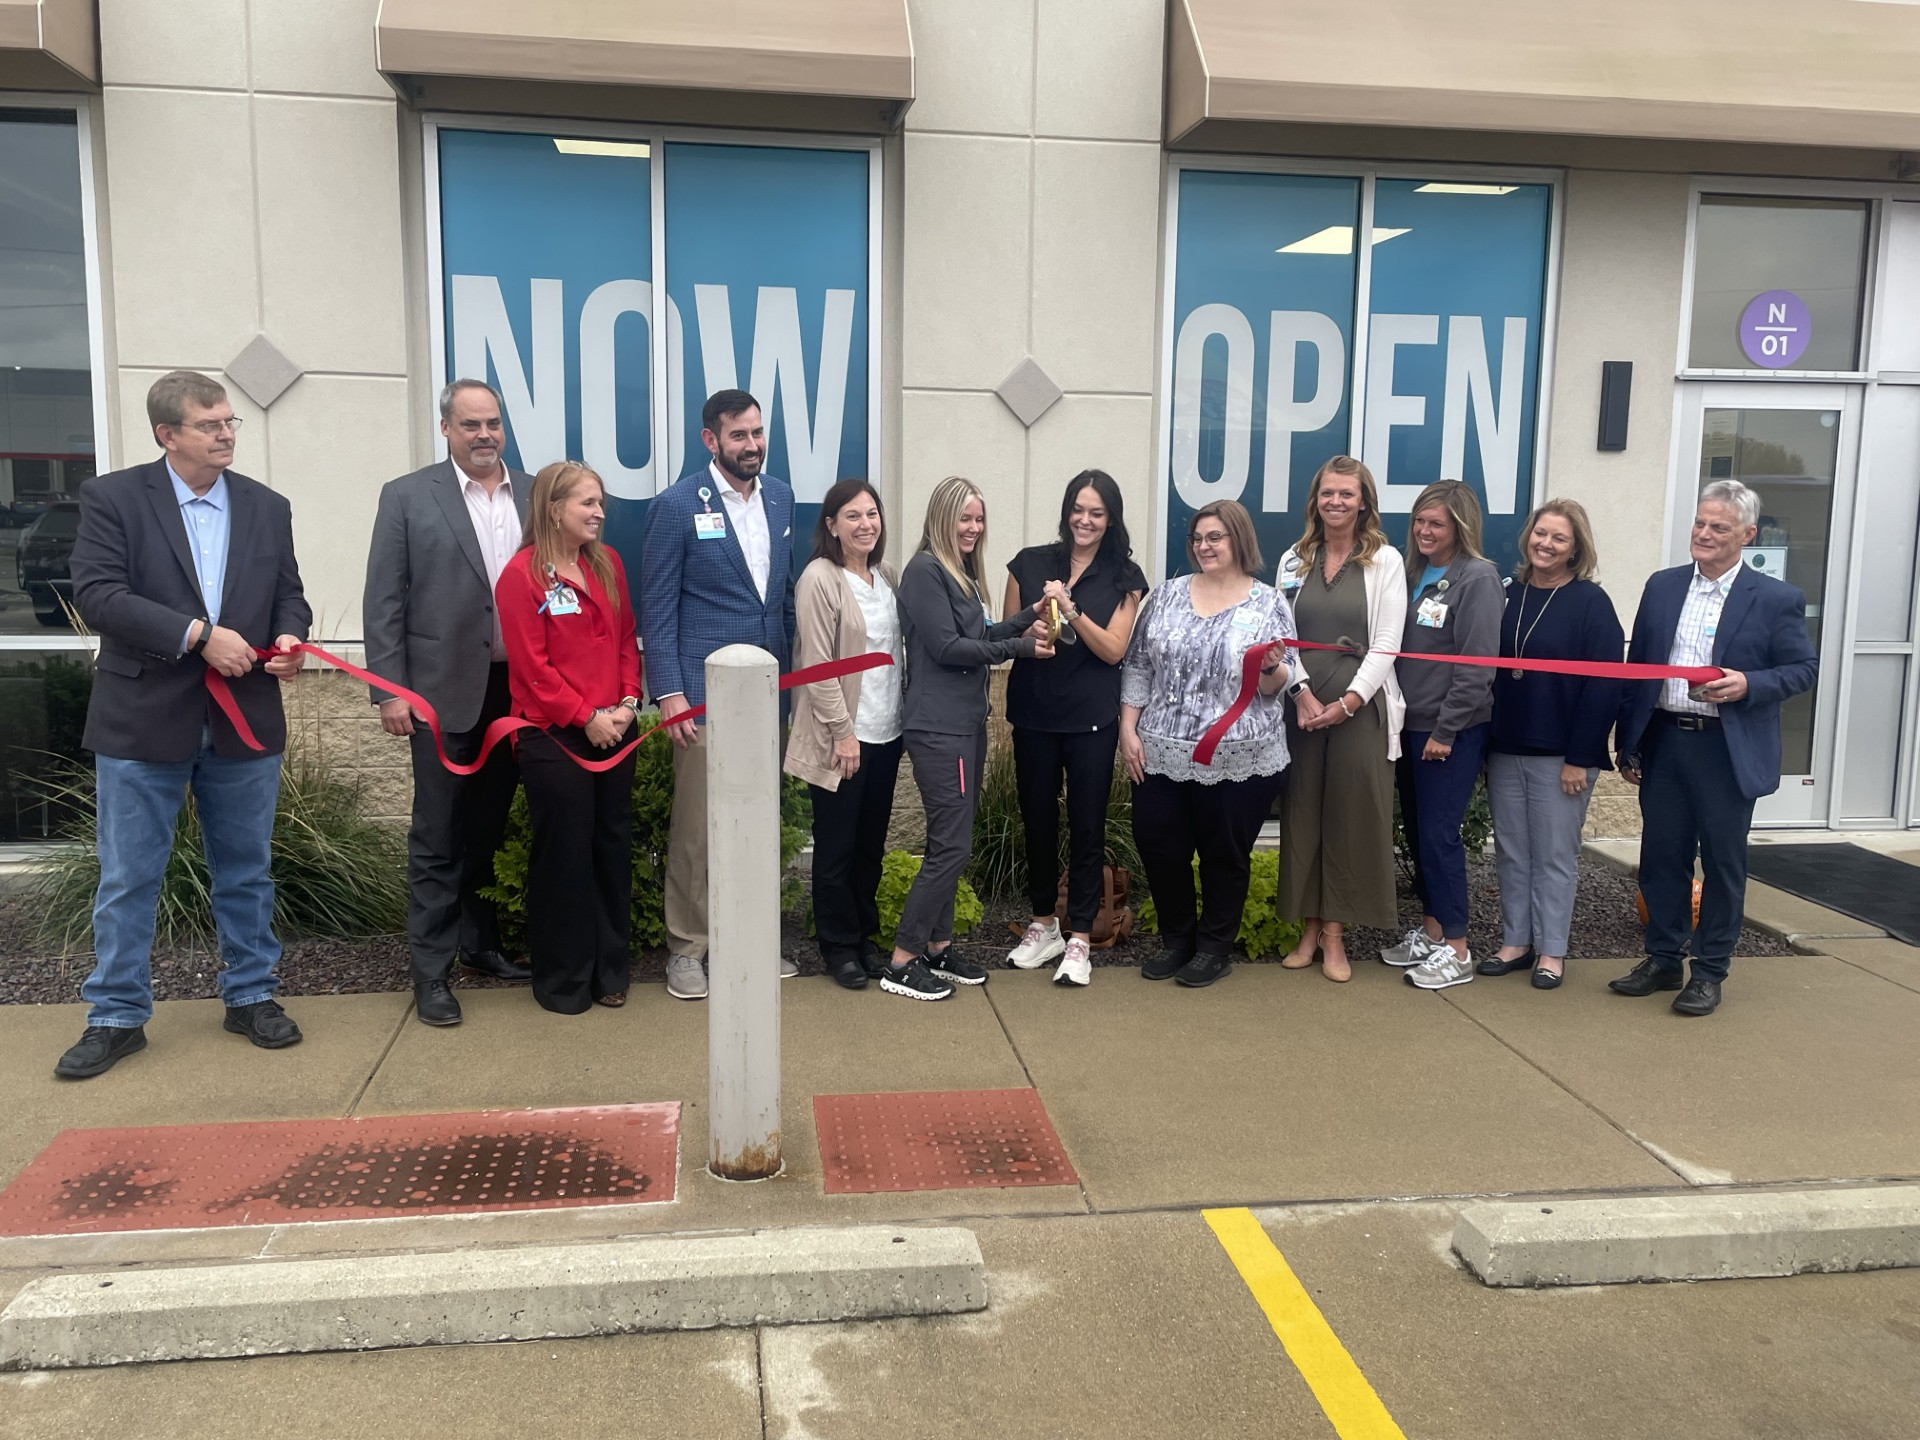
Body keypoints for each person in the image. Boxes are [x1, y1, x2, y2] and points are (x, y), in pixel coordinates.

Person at [54, 371, 312, 1079]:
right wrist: (198, 635)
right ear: (167, 434)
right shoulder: (113, 498)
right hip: (142, 719)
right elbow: (99, 595)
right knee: (129, 877)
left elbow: (289, 594)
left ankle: (251, 995)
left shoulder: (266, 506)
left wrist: (289, 638)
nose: (227, 434)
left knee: (246, 871)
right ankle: (116, 1016)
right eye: (210, 424)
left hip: (243, 717)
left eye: (230, 422)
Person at [363, 379, 534, 1029]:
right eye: (470, 424)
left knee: (489, 829)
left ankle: (480, 944)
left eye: (493, 423)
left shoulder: (534, 493)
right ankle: (431, 972)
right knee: (438, 834)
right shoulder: (408, 496)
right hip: (437, 695)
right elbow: (384, 600)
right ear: (446, 429)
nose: (485, 435)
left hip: (518, 693)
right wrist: (390, 690)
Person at [1612, 479, 1817, 1017]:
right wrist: (1629, 742)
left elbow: (1803, 669)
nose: (1703, 534)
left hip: (1726, 749)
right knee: (1662, 857)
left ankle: (1708, 971)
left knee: (1722, 863)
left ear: (1747, 534)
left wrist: (1749, 684)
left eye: (1718, 527)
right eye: (1700, 523)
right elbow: (1640, 668)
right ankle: (1662, 959)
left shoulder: (1775, 599)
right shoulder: (1662, 586)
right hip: (1665, 740)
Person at [638, 389, 798, 1001]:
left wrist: (795, 688)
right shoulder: (677, 505)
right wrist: (669, 691)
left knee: (760, 818)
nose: (752, 445)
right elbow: (658, 606)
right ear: (711, 439)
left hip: (767, 693)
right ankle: (687, 948)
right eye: (738, 435)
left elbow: (780, 599)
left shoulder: (780, 497)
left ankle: (751, 938)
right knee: (698, 829)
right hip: (701, 699)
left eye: (757, 432)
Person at [888, 475, 1052, 1001]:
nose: (974, 527)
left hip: (965, 726)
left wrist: (1028, 617)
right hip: (939, 728)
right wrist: (1021, 649)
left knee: (950, 842)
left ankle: (938, 946)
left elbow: (980, 634)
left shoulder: (961, 573)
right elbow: (948, 648)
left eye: (979, 518)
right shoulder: (925, 571)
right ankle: (903, 959)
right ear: (942, 516)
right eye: (964, 517)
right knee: (952, 847)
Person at [1119, 499, 1294, 988]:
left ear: (1239, 540)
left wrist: (1272, 668)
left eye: (1215, 537)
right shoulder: (1165, 596)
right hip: (1160, 751)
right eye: (1197, 538)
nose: (1204, 546)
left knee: (1225, 854)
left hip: (1240, 755)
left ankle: (1215, 948)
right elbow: (1138, 666)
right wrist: (1128, 729)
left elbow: (1277, 684)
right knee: (1160, 847)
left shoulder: (1268, 604)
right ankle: (1177, 941)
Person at [496, 462, 642, 1014]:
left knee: (611, 848)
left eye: (600, 502)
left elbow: (626, 639)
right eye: (587, 503)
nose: (599, 512)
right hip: (554, 736)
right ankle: (564, 982)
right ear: (554, 509)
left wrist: (628, 704)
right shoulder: (521, 576)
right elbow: (532, 670)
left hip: (616, 728)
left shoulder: (607, 564)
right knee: (565, 856)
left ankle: (609, 972)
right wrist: (586, 717)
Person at [1002, 470, 1147, 986]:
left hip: (1092, 719)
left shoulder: (1126, 576)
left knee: (1087, 826)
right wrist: (1035, 624)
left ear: (1111, 519)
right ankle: (1044, 924)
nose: (1085, 520)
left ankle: (1081, 935)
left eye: (1096, 513)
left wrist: (1072, 609)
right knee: (1037, 821)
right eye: (1078, 509)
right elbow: (1009, 637)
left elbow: (1114, 649)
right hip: (1034, 713)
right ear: (1067, 512)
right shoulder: (1028, 563)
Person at [1481, 500, 1624, 989]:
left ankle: (1552, 952)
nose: (1546, 544)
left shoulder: (1591, 603)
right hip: (1505, 748)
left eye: (1559, 538)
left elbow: (1604, 687)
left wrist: (1581, 757)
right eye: (1540, 533)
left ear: (1575, 549)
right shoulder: (1507, 594)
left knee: (1554, 856)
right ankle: (1516, 943)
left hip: (1562, 756)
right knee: (1511, 851)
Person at [1274, 456, 1406, 982]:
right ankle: (1307, 930)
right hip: (1303, 710)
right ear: (1316, 500)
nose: (1336, 502)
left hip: (1361, 711)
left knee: (1351, 819)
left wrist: (1349, 701)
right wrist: (1302, 693)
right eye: (1328, 493)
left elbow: (1388, 642)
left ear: (1363, 502)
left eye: (1346, 494)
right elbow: (1281, 635)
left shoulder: (1385, 560)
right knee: (1303, 815)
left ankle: (1334, 935)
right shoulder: (1293, 559)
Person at [785, 479, 904, 991]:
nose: (865, 524)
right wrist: (843, 732)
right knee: (836, 849)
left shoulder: (886, 575)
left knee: (870, 846)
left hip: (887, 731)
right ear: (831, 525)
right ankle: (838, 947)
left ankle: (863, 937)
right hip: (845, 738)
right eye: (852, 516)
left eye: (871, 514)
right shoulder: (820, 578)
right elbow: (816, 665)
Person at [1392, 479, 1504, 992]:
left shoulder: (1477, 578)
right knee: (1419, 834)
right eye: (1419, 521)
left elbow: (1477, 665)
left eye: (1436, 523)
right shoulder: (1413, 572)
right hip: (1409, 727)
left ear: (1460, 526)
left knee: (1440, 836)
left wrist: (1447, 729)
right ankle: (1433, 931)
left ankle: (1457, 950)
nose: (1424, 531)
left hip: (1448, 732)